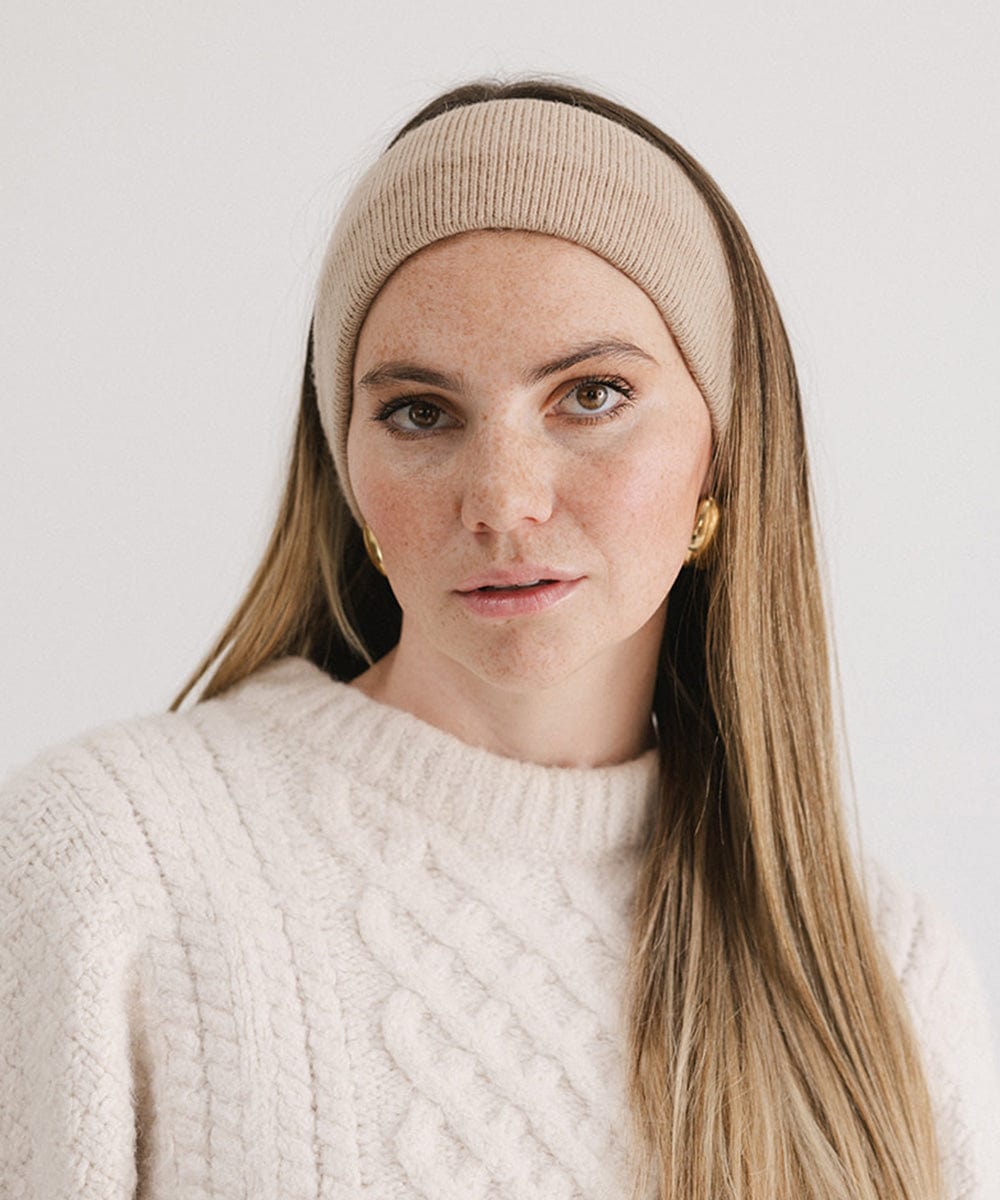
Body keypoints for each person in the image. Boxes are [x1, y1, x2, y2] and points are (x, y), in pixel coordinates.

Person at [1, 78, 997, 1200]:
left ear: (722, 454)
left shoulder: (879, 976)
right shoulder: (108, 870)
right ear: (348, 473)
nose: (503, 500)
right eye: (420, 412)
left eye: (592, 395)